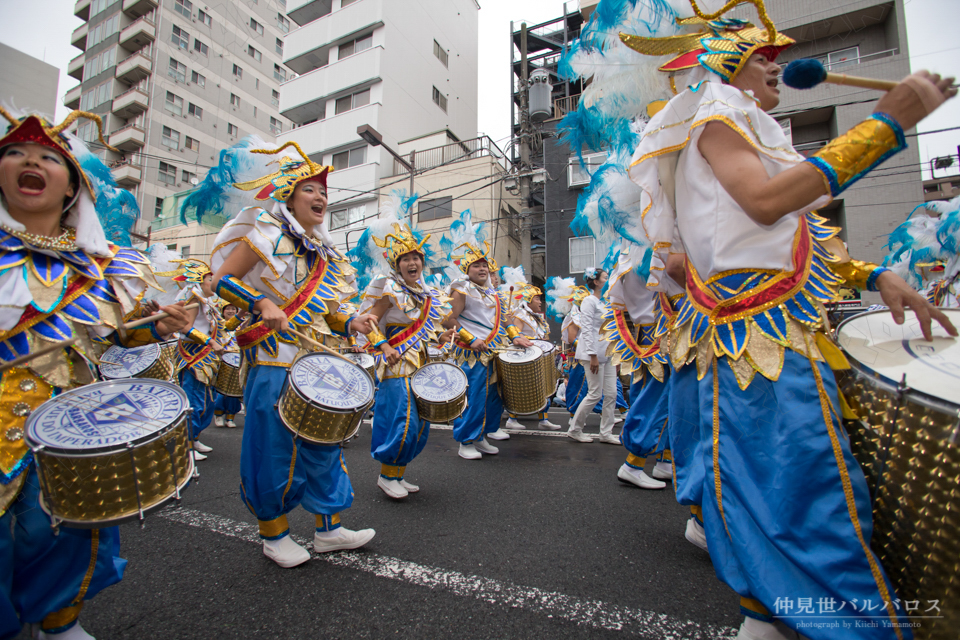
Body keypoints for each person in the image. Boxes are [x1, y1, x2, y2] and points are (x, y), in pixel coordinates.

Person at [622, 1, 957, 637]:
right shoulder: (720, 116)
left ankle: (770, 619)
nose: (775, 64)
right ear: (725, 67)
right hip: (755, 335)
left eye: (777, 56)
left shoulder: (751, 128)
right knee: (805, 494)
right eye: (760, 55)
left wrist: (873, 276)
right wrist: (888, 123)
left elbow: (794, 234)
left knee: (783, 491)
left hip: (770, 326)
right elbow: (768, 203)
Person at [0, 108, 190, 640]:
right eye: (15, 152)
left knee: (64, 526)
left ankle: (59, 620)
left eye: (48, 157)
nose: (30, 160)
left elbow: (121, 334)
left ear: (70, 188)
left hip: (69, 419)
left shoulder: (105, 270)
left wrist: (165, 325)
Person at [199, 138, 380, 568]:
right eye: (309, 189)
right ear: (289, 196)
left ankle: (329, 529)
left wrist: (350, 322)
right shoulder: (265, 231)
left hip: (317, 360)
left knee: (325, 442)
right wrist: (261, 304)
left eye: (323, 190)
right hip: (272, 357)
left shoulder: (326, 252)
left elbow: (331, 312)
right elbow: (220, 280)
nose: (320, 197)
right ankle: (274, 533)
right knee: (274, 445)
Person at [351, 196, 454, 498]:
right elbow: (368, 320)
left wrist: (443, 338)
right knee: (401, 417)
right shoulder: (388, 286)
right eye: (406, 258)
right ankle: (386, 474)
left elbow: (430, 327)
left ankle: (398, 471)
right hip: (396, 358)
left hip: (420, 358)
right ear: (397, 263)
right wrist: (382, 346)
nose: (413, 263)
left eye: (416, 257)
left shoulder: (427, 291)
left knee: (420, 423)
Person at [440, 210, 533, 459]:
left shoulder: (494, 293)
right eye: (476, 265)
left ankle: (481, 436)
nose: (481, 269)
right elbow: (447, 319)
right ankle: (465, 441)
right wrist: (470, 338)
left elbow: (503, 322)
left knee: (493, 397)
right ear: (467, 268)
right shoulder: (461, 289)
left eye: (484, 265)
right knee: (474, 396)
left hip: (493, 350)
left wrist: (515, 336)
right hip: (471, 352)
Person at [158, 259, 225, 461]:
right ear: (200, 280)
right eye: (210, 279)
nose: (214, 284)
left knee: (206, 400)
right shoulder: (192, 298)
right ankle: (186, 444)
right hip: (193, 354)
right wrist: (211, 343)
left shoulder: (205, 300)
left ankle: (194, 438)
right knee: (193, 399)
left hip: (203, 354)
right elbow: (185, 327)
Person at [499, 266, 561, 431]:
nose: (540, 302)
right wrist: (532, 341)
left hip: (540, 356)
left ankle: (543, 419)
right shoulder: (519, 315)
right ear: (528, 300)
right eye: (537, 299)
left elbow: (544, 338)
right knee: (522, 387)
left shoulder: (538, 319)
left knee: (544, 386)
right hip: (525, 357)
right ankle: (512, 419)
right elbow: (516, 335)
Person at [566, 267, 619, 444]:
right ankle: (575, 429)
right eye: (605, 277)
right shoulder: (589, 301)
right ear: (596, 282)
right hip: (593, 353)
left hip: (609, 352)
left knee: (611, 394)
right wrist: (593, 355)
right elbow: (587, 329)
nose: (608, 280)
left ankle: (606, 432)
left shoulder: (607, 302)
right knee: (595, 394)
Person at [214, 301, 242, 428]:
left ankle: (230, 417)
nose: (230, 311)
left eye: (233, 309)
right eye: (228, 309)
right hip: (223, 358)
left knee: (235, 389)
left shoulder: (241, 326)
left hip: (238, 359)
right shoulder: (218, 325)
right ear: (223, 311)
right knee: (221, 389)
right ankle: (218, 414)